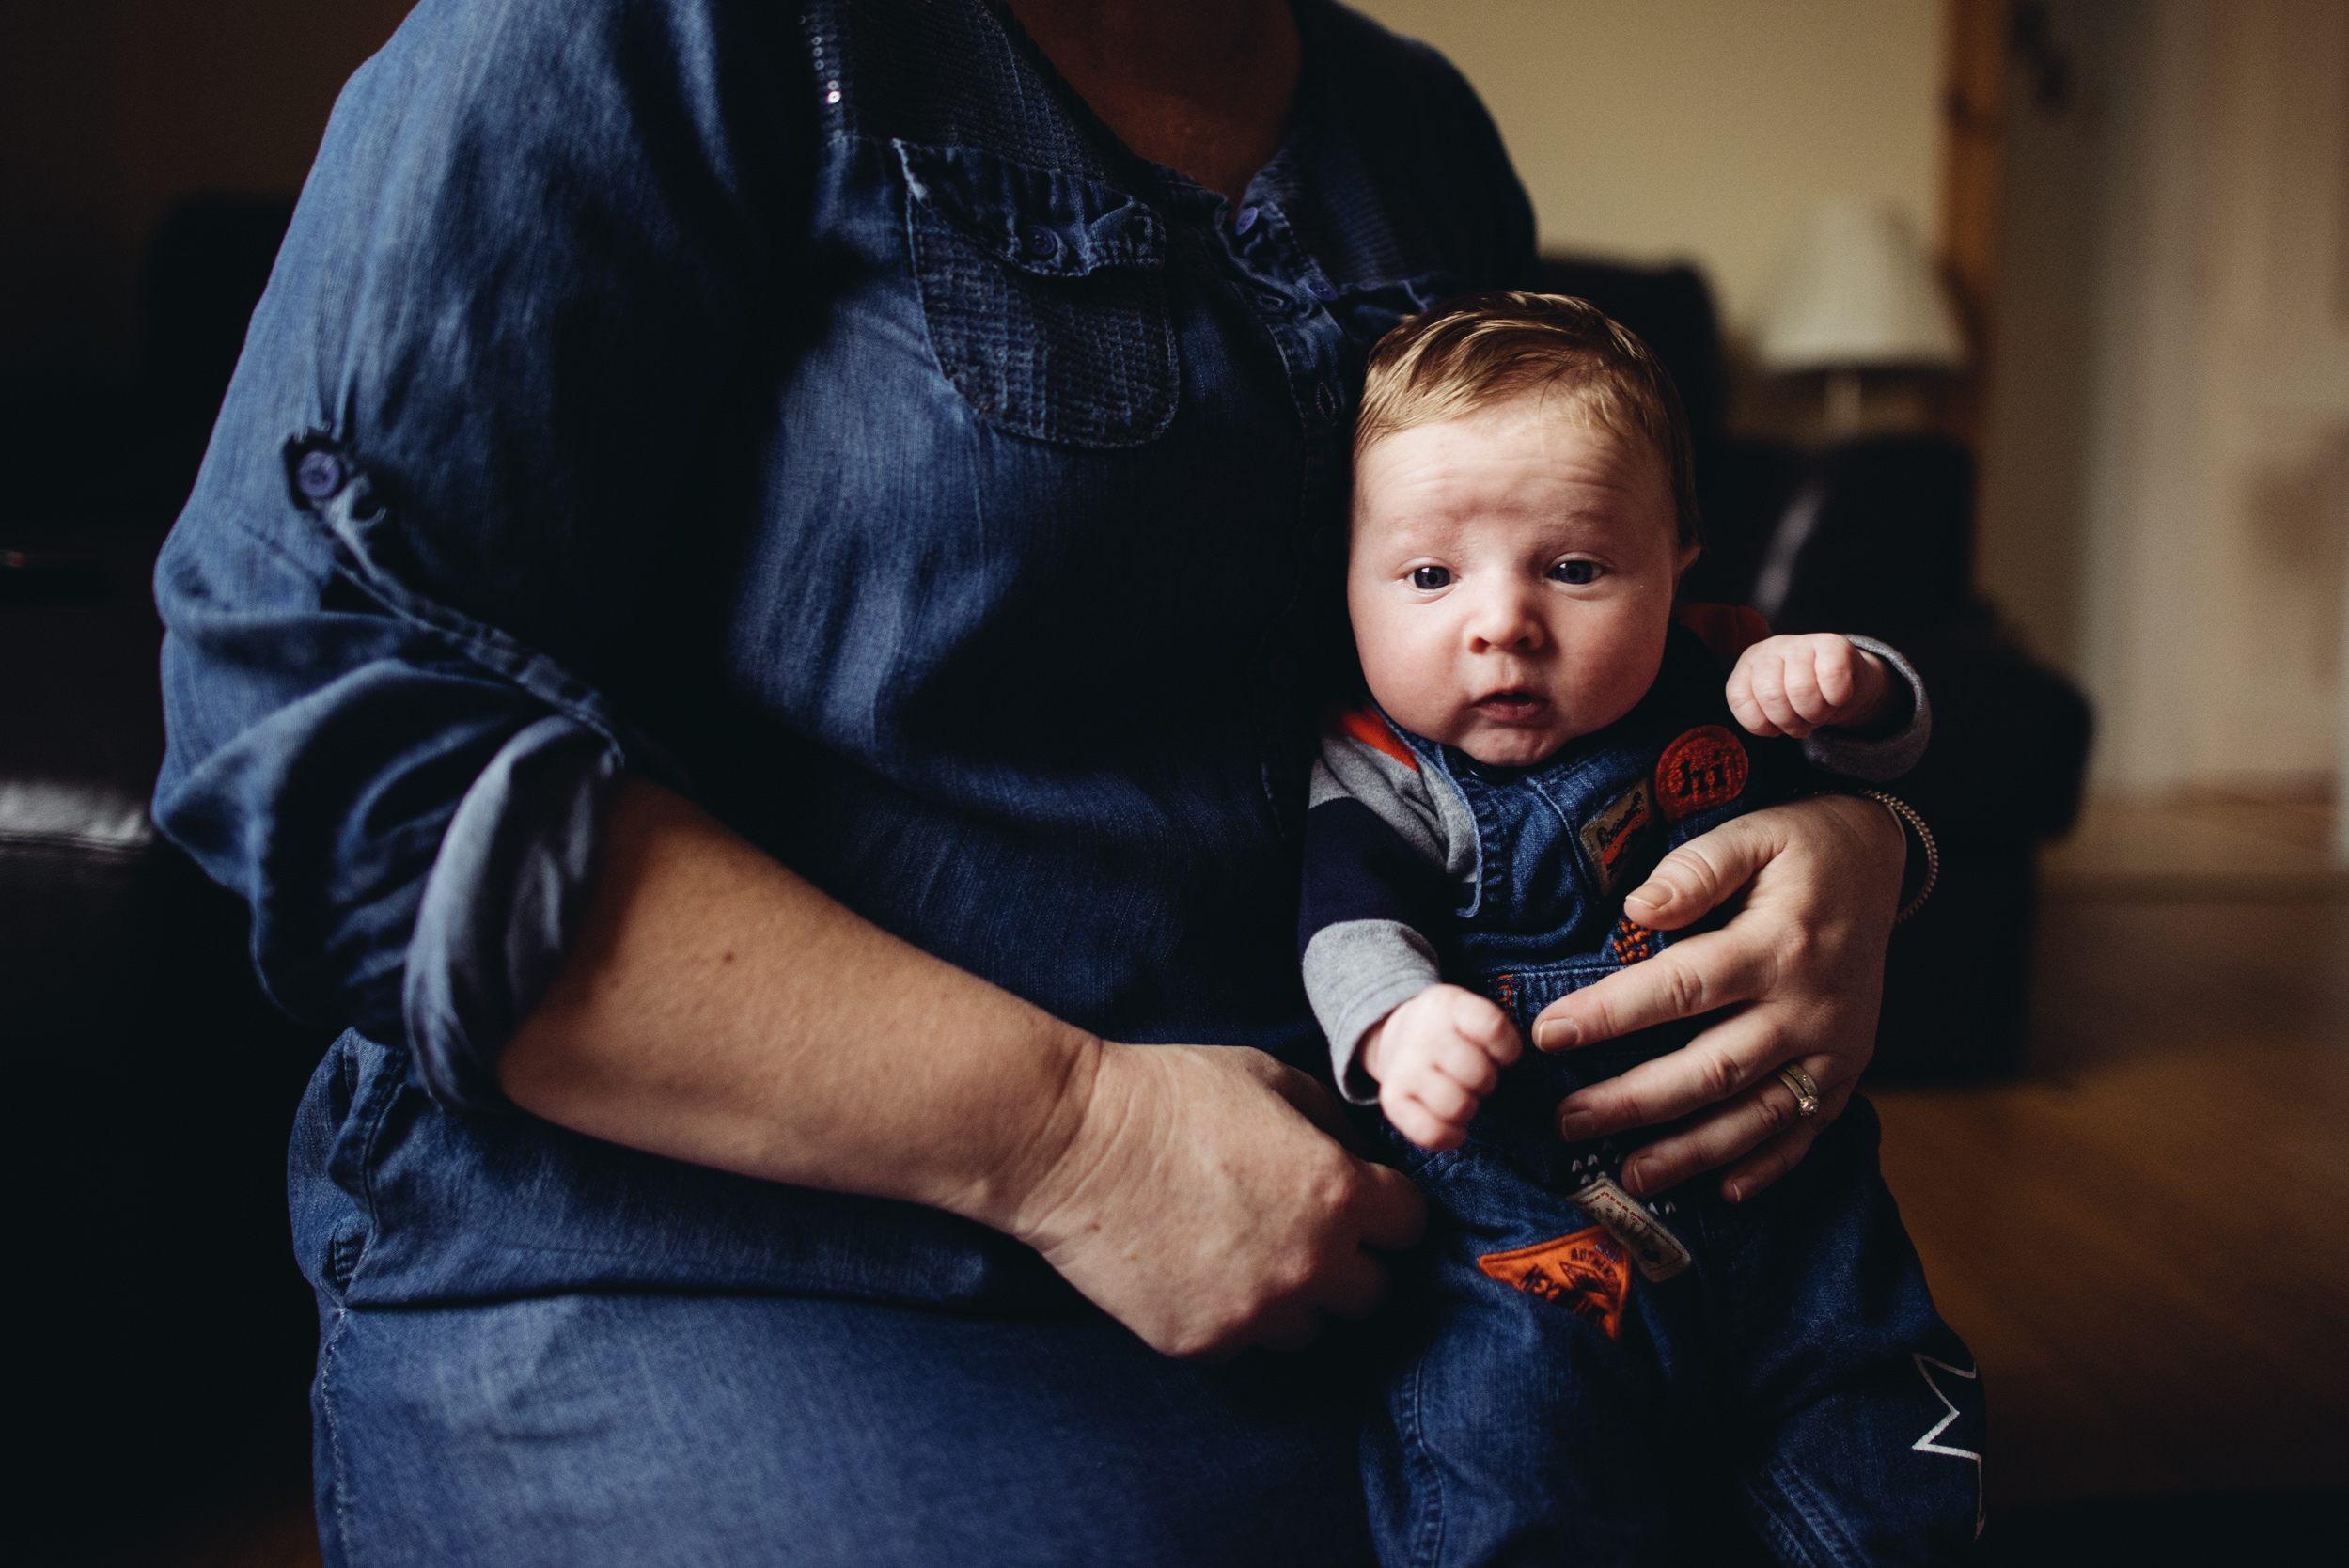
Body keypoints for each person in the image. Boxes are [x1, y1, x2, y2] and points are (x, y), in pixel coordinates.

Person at [151, 2, 1934, 1561]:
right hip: (702, 1245)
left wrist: (1856, 841)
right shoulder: (657, 32)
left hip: (1367, 1218)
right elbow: (323, 738)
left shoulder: (1415, 136)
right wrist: (1073, 1137)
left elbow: (1508, 676)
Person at [1299, 295, 1982, 1565]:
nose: (1502, 622)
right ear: (1347, 578)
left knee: (1883, 1445)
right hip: (1528, 1224)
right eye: (1430, 576)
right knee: (1507, 1441)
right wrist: (1396, 1022)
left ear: (1679, 559)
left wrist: (1854, 680)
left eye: (1574, 568)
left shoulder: (1726, 664)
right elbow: (1342, 915)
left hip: (1787, 1203)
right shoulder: (1381, 765)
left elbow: (1891, 742)